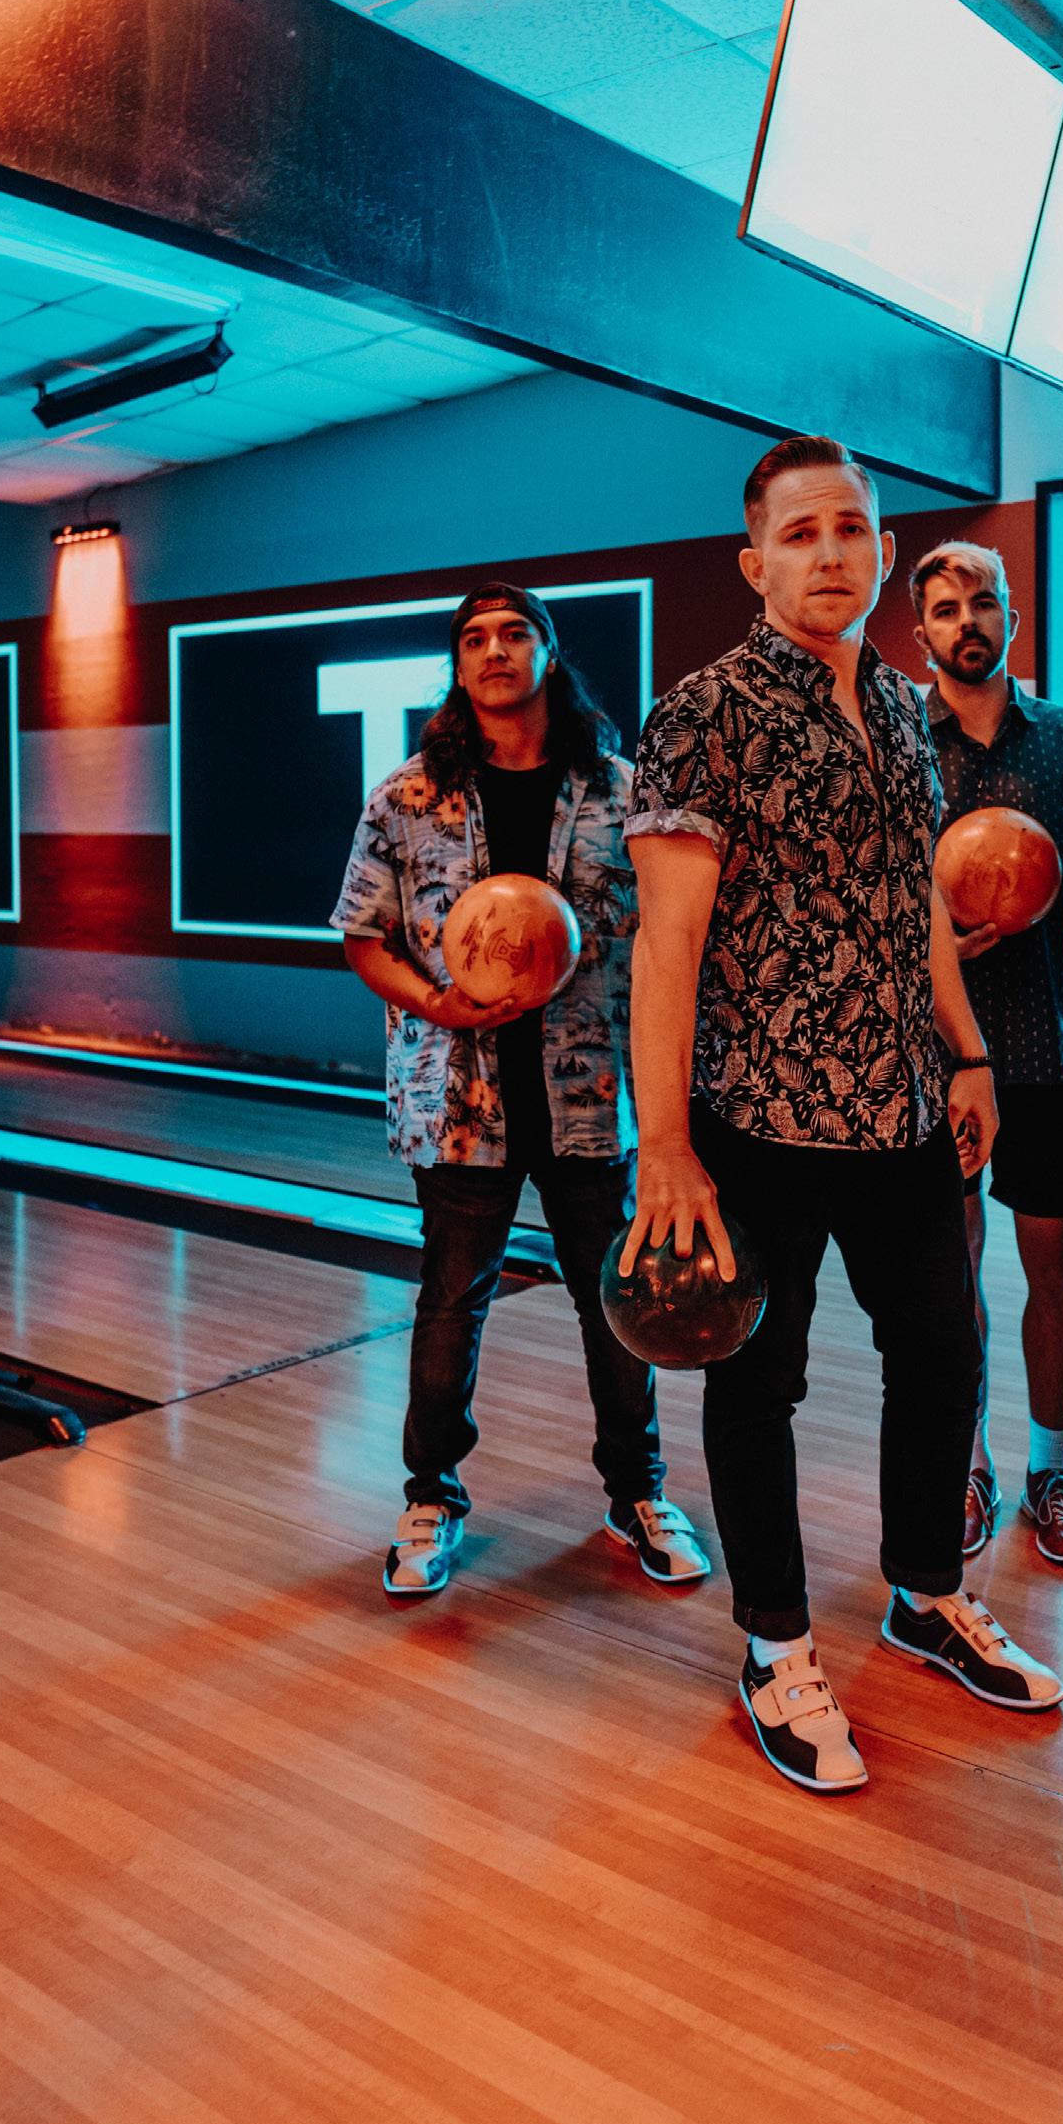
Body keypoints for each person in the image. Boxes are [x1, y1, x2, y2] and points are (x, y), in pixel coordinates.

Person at [623, 435, 1063, 1795]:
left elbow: (914, 894)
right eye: (798, 531)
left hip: (903, 1109)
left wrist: (966, 1050)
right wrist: (663, 1148)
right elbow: (663, 943)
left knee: (941, 1352)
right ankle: (773, 1643)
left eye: (849, 529)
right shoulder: (701, 712)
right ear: (753, 562)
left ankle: (924, 1593)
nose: (828, 552)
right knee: (758, 1383)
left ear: (881, 551)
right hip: (755, 1118)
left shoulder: (897, 700)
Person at [334, 582, 710, 1601]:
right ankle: (430, 1497)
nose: (494, 649)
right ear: (458, 665)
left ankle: (636, 1493)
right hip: (460, 1098)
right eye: (474, 638)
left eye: (514, 633)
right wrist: (435, 1002)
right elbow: (362, 935)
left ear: (548, 651)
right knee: (451, 1302)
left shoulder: (620, 789)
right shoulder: (407, 797)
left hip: (592, 1094)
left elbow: (668, 936)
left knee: (615, 1300)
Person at [911, 540, 1063, 1572]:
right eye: (946, 607)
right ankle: (967, 1462)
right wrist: (928, 950)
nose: (968, 621)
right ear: (920, 631)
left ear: (1009, 613)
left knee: (1053, 1264)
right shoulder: (896, 738)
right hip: (934, 1053)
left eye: (983, 602)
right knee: (946, 1269)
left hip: (1048, 1051)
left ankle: (1049, 1469)